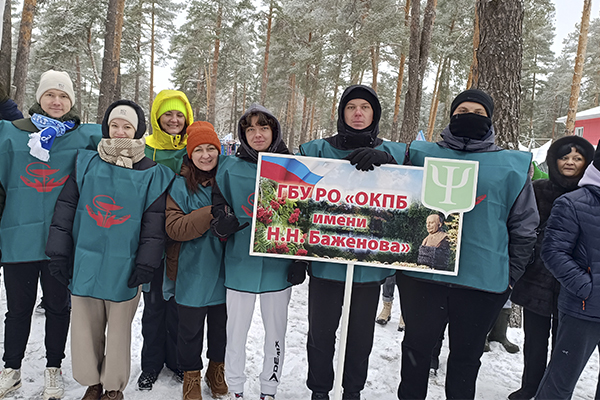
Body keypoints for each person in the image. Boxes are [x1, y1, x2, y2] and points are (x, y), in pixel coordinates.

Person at [397, 89, 538, 399]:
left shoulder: (511, 165)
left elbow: (524, 226)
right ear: (451, 116)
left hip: (481, 282)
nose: (469, 116)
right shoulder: (420, 154)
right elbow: (394, 186)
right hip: (423, 278)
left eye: (478, 112)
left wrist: (510, 276)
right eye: (462, 111)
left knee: (465, 359)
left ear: (490, 119)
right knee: (416, 352)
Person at [45, 99, 175, 400]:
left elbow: (153, 224)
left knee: (118, 330)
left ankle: (113, 388)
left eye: (127, 126)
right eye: (114, 125)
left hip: (125, 264)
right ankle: (92, 383)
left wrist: (146, 263)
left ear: (137, 131)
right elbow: (66, 208)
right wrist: (59, 252)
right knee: (84, 326)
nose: (119, 131)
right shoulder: (86, 163)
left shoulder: (152, 173)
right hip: (85, 260)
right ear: (106, 127)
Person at [299, 84, 406, 400]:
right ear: (342, 113)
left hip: (368, 265)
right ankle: (320, 389)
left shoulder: (397, 153)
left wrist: (391, 163)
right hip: (326, 261)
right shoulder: (318, 150)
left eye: (365, 108)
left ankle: (353, 390)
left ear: (374, 114)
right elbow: (292, 187)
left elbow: (417, 188)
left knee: (360, 337)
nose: (358, 113)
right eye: (351, 107)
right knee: (321, 335)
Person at [0, 70, 101, 400]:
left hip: (61, 242)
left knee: (58, 308)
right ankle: (11, 369)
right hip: (20, 240)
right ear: (39, 98)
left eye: (63, 96)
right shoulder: (12, 134)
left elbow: (123, 142)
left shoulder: (84, 137)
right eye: (50, 95)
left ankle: (53, 368)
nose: (56, 101)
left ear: (71, 101)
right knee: (18, 310)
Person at [212, 104, 303, 400]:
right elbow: (218, 206)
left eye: (263, 127)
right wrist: (221, 224)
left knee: (275, 332)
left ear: (274, 131)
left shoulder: (293, 167)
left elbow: (304, 215)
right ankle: (236, 387)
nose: (257, 134)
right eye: (250, 129)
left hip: (278, 266)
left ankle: (269, 387)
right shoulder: (229, 167)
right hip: (240, 262)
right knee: (236, 331)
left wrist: (299, 259)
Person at [509, 135, 595, 399]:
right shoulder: (538, 190)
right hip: (536, 279)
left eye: (577, 158)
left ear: (587, 163)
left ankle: (552, 390)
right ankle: (530, 387)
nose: (570, 162)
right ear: (553, 160)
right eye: (564, 157)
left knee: (563, 344)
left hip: (572, 283)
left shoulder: (590, 195)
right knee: (534, 341)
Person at [165, 121, 228, 400]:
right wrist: (211, 213)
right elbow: (174, 227)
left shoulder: (229, 181)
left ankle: (216, 370)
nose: (205, 155)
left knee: (221, 327)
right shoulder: (179, 186)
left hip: (225, 268)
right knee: (189, 330)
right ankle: (191, 376)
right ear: (190, 154)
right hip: (191, 268)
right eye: (199, 150)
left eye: (211, 149)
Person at [137, 89, 194, 390]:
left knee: (179, 307)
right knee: (154, 305)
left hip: (184, 239)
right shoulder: (144, 149)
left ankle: (177, 360)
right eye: (168, 114)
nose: (174, 120)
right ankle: (151, 363)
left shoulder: (193, 150)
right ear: (157, 117)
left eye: (179, 115)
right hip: (152, 239)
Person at [535, 140, 600, 399]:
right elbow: (553, 252)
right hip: (584, 310)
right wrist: (586, 288)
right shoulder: (573, 202)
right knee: (559, 384)